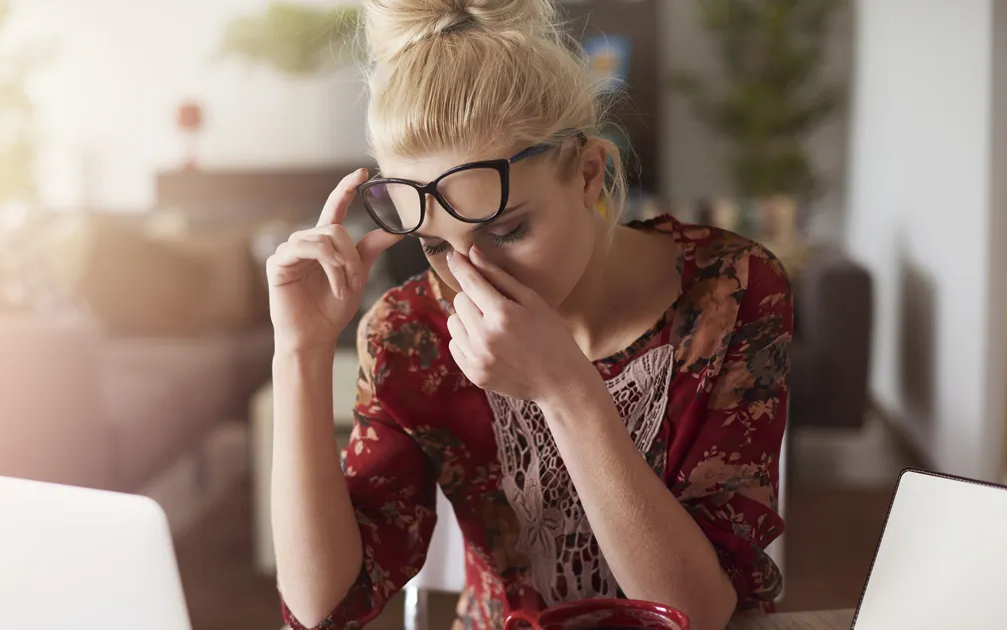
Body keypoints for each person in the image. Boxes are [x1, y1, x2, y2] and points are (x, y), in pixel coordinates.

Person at [266, 1, 792, 628]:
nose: (473, 279)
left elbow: (698, 615)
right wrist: (300, 350)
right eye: (436, 246)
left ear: (590, 174)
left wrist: (566, 388)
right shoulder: (412, 335)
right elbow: (324, 607)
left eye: (508, 230)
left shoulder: (730, 292)